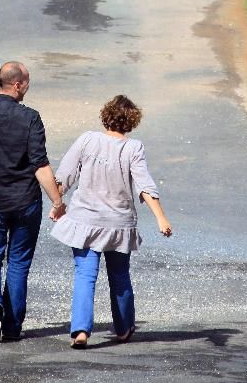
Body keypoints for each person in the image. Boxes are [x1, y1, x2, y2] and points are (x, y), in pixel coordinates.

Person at [49, 94, 171, 348]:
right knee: (119, 274)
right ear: (132, 122)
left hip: (85, 220)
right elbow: (144, 185)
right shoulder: (133, 148)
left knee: (85, 274)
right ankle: (125, 327)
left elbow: (65, 175)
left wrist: (57, 204)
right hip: (119, 223)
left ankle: (81, 330)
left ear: (106, 116)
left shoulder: (87, 140)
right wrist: (161, 217)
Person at [0, 61, 65, 342]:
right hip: (25, 203)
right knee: (18, 262)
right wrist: (57, 201)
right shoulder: (30, 118)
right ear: (17, 84)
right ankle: (11, 327)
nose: (27, 89)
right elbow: (39, 165)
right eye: (27, 83)